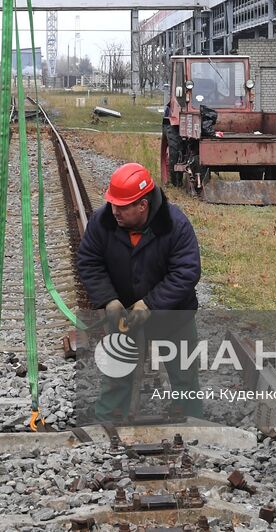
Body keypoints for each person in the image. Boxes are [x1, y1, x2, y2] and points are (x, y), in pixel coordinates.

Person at [76, 162, 203, 421]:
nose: (115, 211)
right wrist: (108, 300)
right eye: (112, 204)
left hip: (174, 316)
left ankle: (191, 422)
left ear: (142, 206)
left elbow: (186, 272)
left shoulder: (176, 225)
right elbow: (89, 262)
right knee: (116, 374)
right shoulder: (102, 222)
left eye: (121, 207)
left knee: (185, 376)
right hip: (123, 316)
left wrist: (150, 304)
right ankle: (109, 421)